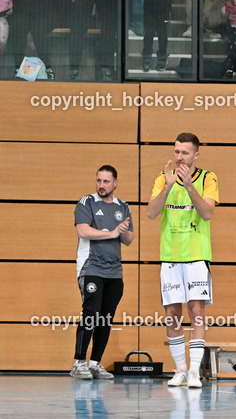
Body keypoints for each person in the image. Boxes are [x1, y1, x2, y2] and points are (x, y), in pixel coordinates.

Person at [146, 132, 219, 389]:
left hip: (197, 256)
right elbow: (151, 213)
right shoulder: (161, 178)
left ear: (196, 155)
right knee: (172, 314)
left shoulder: (208, 178)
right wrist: (168, 185)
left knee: (196, 311)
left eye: (185, 153)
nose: (179, 157)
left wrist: (188, 186)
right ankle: (180, 370)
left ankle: (195, 371)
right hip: (170, 256)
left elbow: (207, 213)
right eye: (176, 151)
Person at [71, 165, 134, 380]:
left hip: (114, 271)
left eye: (106, 181)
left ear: (115, 183)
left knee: (106, 318)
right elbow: (82, 230)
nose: (101, 185)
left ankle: (95, 363)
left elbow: (128, 239)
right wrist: (112, 232)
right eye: (99, 180)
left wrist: (122, 232)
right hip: (92, 268)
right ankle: (79, 362)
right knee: (91, 314)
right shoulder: (86, 202)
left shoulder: (123, 207)